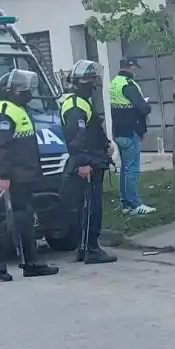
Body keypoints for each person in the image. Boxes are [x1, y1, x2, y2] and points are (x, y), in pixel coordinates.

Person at [0, 69, 59, 282]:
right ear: (9, 91)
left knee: (25, 219)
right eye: (21, 88)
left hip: (26, 174)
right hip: (15, 176)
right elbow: (1, 147)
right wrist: (4, 176)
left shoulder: (18, 108)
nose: (27, 91)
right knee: (17, 219)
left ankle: (30, 263)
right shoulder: (4, 111)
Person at [60, 60, 118, 265]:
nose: (92, 83)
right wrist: (83, 162)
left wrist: (105, 144)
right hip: (87, 164)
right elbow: (76, 137)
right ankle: (91, 249)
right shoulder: (75, 104)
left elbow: (92, 129)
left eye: (93, 79)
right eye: (89, 79)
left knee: (87, 206)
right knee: (90, 208)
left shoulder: (82, 102)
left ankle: (84, 248)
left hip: (93, 160)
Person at [109, 58, 155, 215]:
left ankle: (125, 204)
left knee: (124, 168)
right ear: (130, 67)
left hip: (119, 131)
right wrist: (147, 105)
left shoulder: (114, 82)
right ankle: (134, 204)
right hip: (130, 131)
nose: (135, 72)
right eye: (134, 68)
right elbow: (142, 107)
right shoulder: (128, 85)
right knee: (131, 169)